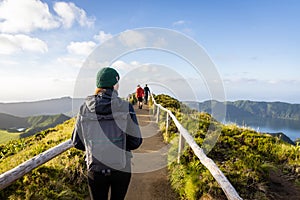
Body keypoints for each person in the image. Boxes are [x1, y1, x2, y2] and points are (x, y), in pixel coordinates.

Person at [72, 67, 143, 200]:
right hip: (121, 168)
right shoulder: (125, 107)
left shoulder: (84, 108)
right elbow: (136, 142)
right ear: (114, 85)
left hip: (95, 169)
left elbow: (76, 142)